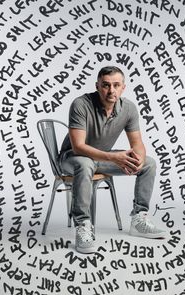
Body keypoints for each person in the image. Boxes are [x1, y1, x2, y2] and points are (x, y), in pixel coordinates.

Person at [59, 66, 165, 254]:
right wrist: (113, 157)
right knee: (85, 162)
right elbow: (78, 147)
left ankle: (139, 219)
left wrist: (137, 159)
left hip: (101, 158)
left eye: (116, 85)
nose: (111, 90)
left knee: (149, 163)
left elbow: (137, 143)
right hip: (72, 159)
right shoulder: (81, 104)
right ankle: (83, 224)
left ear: (123, 87)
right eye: (106, 85)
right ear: (97, 86)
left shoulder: (129, 108)